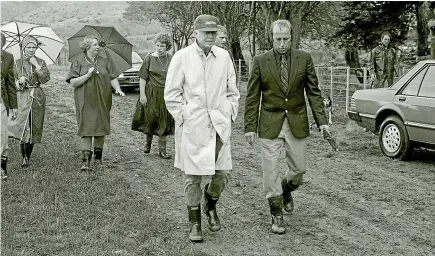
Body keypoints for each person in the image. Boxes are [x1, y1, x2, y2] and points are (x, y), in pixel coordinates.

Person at [244, 19, 329, 234]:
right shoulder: (260, 61)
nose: (282, 43)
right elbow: (252, 96)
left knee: (299, 169)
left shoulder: (305, 59)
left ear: (291, 38)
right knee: (270, 170)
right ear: (271, 38)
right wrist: (250, 126)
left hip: (296, 121)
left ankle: (286, 188)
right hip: (269, 123)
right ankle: (276, 214)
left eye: (286, 39)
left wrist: (323, 123)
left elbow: (314, 93)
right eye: (277, 39)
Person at [164, 14, 239, 242]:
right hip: (193, 126)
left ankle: (211, 202)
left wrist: (228, 113)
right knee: (192, 177)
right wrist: (185, 116)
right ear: (195, 33)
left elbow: (233, 91)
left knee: (222, 173)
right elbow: (171, 94)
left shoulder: (224, 56)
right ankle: (194, 223)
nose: (210, 36)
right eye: (206, 32)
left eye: (213, 32)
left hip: (218, 124)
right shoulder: (182, 57)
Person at [66, 35, 125, 171]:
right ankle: (85, 162)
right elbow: (73, 82)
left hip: (103, 98)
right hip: (85, 100)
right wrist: (87, 75)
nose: (98, 47)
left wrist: (117, 89)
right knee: (86, 129)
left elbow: (112, 77)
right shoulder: (78, 61)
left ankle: (98, 159)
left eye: (99, 45)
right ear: (87, 47)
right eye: (95, 45)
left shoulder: (104, 61)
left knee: (100, 128)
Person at [8, 35, 50, 168]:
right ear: (23, 48)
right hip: (22, 96)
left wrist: (37, 66)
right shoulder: (16, 63)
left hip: (36, 96)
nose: (31, 50)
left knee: (34, 126)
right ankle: (24, 158)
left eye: (34, 47)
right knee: (23, 125)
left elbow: (45, 79)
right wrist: (18, 82)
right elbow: (9, 82)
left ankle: (29, 155)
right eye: (28, 47)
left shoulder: (41, 61)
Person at [132, 33, 174, 159]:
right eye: (157, 45)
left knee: (164, 120)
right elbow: (143, 78)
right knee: (150, 118)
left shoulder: (171, 58)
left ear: (167, 46)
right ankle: (148, 143)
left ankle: (162, 150)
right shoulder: (149, 58)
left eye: (162, 45)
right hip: (150, 93)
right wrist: (142, 95)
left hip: (165, 94)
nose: (159, 48)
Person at [1, 32, 18, 179]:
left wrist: (13, 106)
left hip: (1, 102)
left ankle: (2, 168)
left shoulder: (8, 57)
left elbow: (10, 83)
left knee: (2, 136)